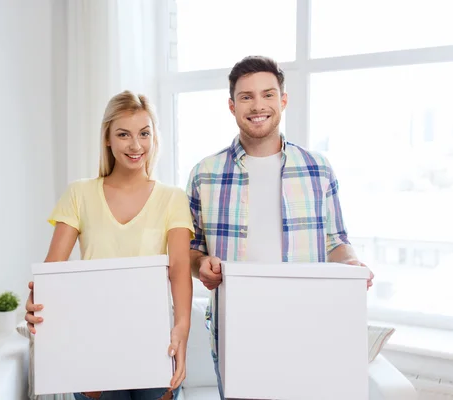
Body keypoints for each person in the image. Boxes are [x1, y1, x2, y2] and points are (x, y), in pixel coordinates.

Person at [186, 55, 374, 400]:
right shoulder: (204, 174)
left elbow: (336, 242)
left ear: (283, 100)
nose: (258, 105)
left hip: (308, 323)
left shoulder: (318, 169)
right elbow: (191, 249)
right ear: (231, 106)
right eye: (246, 97)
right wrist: (200, 266)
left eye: (268, 94)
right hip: (237, 329)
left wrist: (350, 264)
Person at [24, 90, 194, 400]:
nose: (135, 145)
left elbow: (180, 270)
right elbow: (53, 270)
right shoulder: (79, 194)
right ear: (108, 139)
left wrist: (182, 330)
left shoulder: (173, 198)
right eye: (123, 134)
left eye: (144, 134)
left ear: (154, 137)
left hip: (153, 340)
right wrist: (37, 301)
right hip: (92, 343)